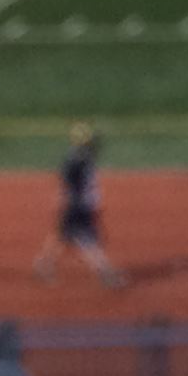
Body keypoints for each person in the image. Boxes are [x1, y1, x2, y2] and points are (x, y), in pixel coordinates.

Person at [34, 123, 126, 288]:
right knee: (88, 240)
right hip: (77, 207)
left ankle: (43, 266)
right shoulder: (76, 161)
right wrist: (76, 203)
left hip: (77, 206)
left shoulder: (83, 156)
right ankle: (106, 273)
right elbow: (68, 182)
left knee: (62, 237)